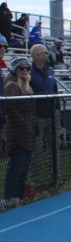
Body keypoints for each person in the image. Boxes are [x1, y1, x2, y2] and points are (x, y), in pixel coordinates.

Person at [3, 57, 37, 205]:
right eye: (21, 68)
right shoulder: (11, 86)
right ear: (15, 70)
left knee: (24, 166)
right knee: (16, 165)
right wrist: (24, 124)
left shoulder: (27, 86)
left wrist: (32, 126)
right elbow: (10, 108)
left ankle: (20, 194)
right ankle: (10, 196)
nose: (24, 71)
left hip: (28, 132)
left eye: (27, 68)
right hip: (17, 133)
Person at [28, 44, 58, 190]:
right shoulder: (29, 72)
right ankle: (37, 182)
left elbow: (55, 90)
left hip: (52, 114)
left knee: (55, 147)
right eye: (46, 53)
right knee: (37, 150)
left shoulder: (50, 70)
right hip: (37, 117)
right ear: (39, 55)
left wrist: (57, 108)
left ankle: (55, 178)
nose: (48, 55)